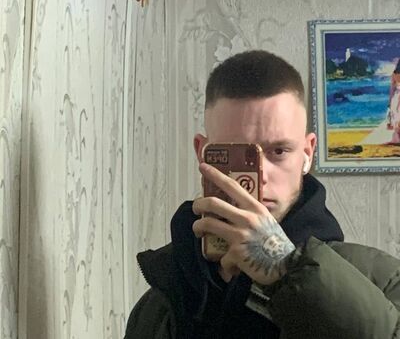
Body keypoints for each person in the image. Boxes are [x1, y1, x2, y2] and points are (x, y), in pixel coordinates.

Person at [124, 50, 400, 338]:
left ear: (307, 154)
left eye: (278, 151)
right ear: (202, 153)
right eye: (238, 154)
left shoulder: (382, 279)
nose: (261, 174)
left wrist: (285, 268)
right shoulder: (159, 301)